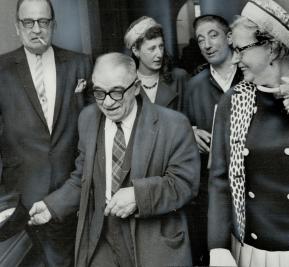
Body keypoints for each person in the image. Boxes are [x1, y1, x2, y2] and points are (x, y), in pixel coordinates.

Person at [33, 52, 200, 267]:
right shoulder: (88, 118)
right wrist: (52, 206)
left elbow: (185, 184)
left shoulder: (174, 124)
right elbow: (82, 179)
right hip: (103, 239)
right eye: (99, 93)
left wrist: (138, 196)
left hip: (154, 243)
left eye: (117, 92)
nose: (108, 102)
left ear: (137, 86)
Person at [208, 0, 289, 266]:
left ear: (272, 48)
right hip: (253, 250)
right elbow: (219, 179)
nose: (235, 58)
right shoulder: (232, 101)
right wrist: (217, 247)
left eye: (241, 49)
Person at [0, 0, 92, 266]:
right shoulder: (2, 69)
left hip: (73, 189)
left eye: (43, 22)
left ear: (54, 24)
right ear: (18, 27)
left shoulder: (80, 63)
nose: (36, 29)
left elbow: (94, 128)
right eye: (28, 22)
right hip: (23, 194)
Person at [183, 14, 243, 266]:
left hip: (248, 182)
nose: (207, 44)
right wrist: (191, 133)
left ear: (229, 37)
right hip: (210, 187)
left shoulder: (249, 77)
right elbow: (183, 127)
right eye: (200, 40)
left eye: (213, 35)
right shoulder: (194, 86)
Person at [124, 16, 188, 111]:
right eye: (152, 49)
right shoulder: (126, 83)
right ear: (136, 51)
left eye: (161, 46)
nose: (159, 54)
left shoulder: (179, 78)